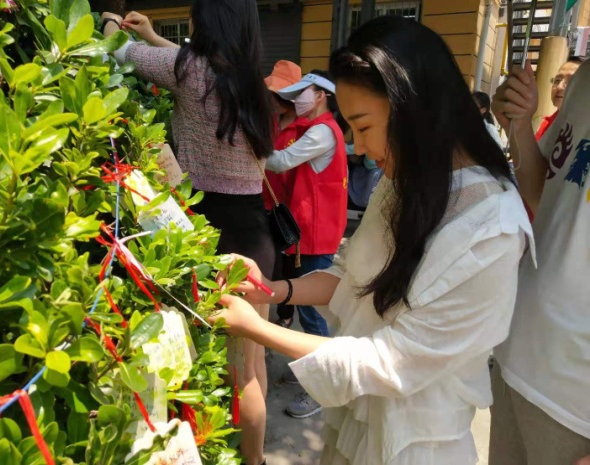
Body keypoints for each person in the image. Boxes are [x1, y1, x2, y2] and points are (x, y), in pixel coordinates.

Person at [210, 15, 533, 465]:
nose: (358, 148)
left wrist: (258, 329)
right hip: (359, 419)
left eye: (363, 126)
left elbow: (393, 361)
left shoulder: (492, 227)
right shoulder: (406, 180)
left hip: (416, 444)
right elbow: (353, 275)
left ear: (415, 109)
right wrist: (273, 288)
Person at [101, 3, 274, 464]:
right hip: (255, 232)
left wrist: (110, 22)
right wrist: (154, 35)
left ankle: (241, 457)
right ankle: (254, 456)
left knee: (227, 370)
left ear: (206, 21)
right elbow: (187, 63)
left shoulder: (191, 71)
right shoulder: (251, 82)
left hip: (212, 230)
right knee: (251, 363)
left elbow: (119, 52)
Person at [489, 56, 590, 464]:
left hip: (575, 405)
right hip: (516, 357)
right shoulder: (584, 81)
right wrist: (518, 126)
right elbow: (541, 195)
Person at [264, 70, 348, 419]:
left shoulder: (322, 131)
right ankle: (312, 373)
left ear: (321, 96)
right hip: (311, 232)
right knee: (305, 309)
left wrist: (248, 145)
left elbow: (280, 161)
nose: (296, 99)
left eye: (303, 92)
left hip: (316, 233)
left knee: (312, 313)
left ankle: (323, 388)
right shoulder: (321, 128)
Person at [262, 61, 308, 335]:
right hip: (262, 199)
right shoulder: (268, 122)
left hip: (289, 206)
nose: (272, 100)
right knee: (271, 262)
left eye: (277, 95)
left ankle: (286, 314)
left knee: (289, 265)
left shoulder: (306, 128)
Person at [535, 56, 584, 141]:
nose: (559, 87)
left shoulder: (585, 130)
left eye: (570, 81)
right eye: (557, 80)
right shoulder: (547, 123)